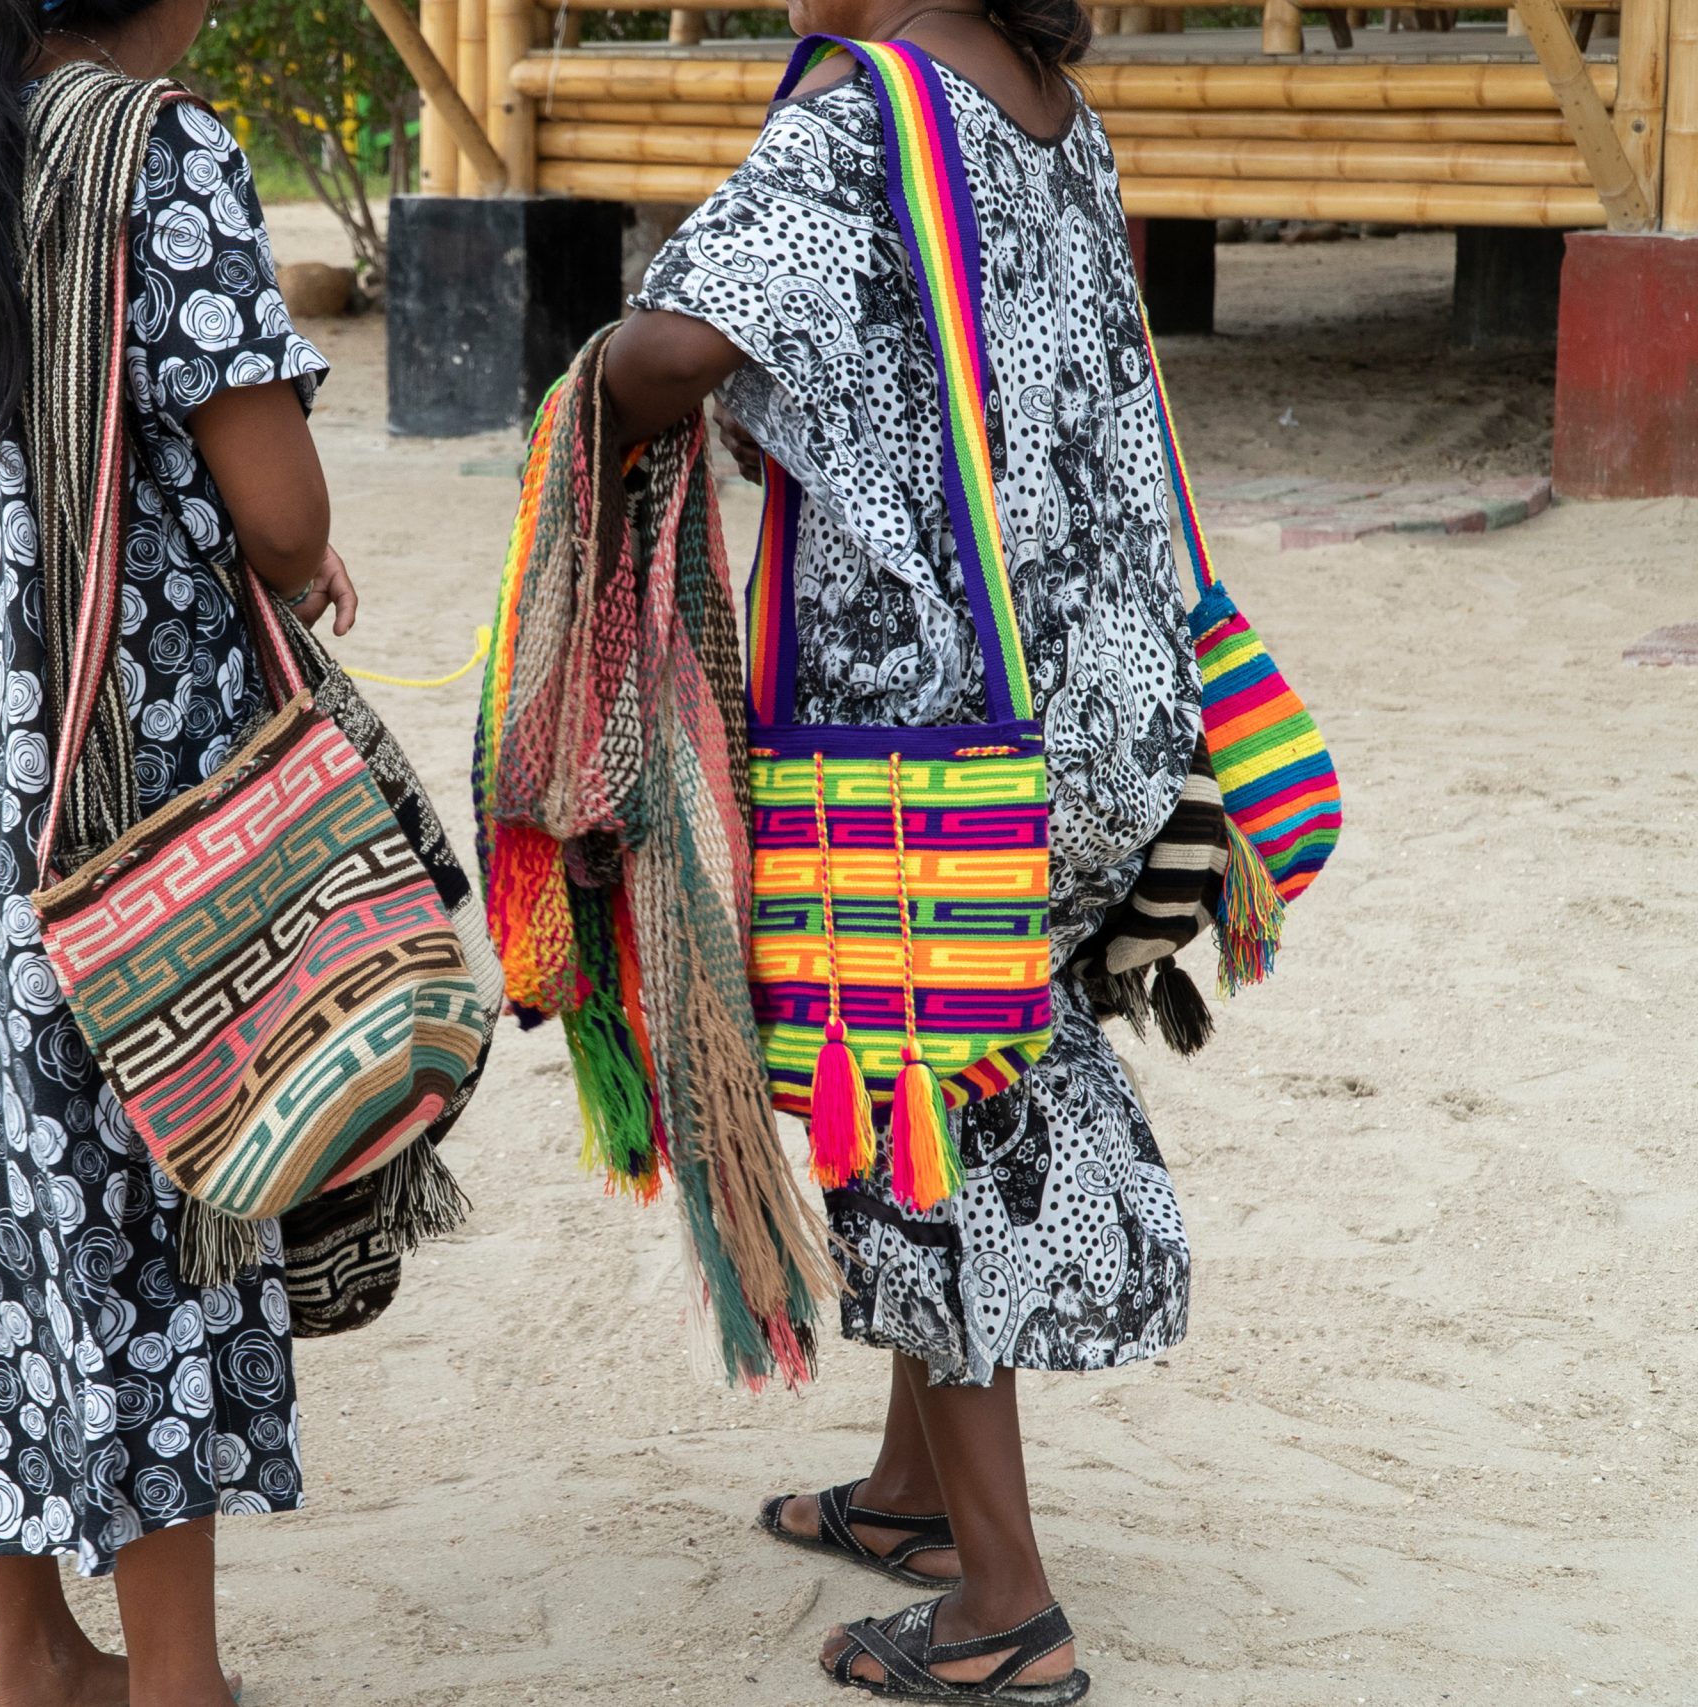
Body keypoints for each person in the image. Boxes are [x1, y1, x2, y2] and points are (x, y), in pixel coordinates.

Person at [603, 0, 1203, 1698]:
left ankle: (1002, 1610)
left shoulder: (864, 113)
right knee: (976, 1055)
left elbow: (672, 356)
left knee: (916, 1100)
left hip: (926, 732)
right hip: (1087, 690)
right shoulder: (1041, 102)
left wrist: (596, 383)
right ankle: (911, 1496)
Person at [0, 0, 356, 1695]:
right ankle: (180, 1686)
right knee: (145, 1224)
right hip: (128, 802)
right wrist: (282, 551)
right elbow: (279, 515)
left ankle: (37, 1660)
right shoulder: (164, 147)